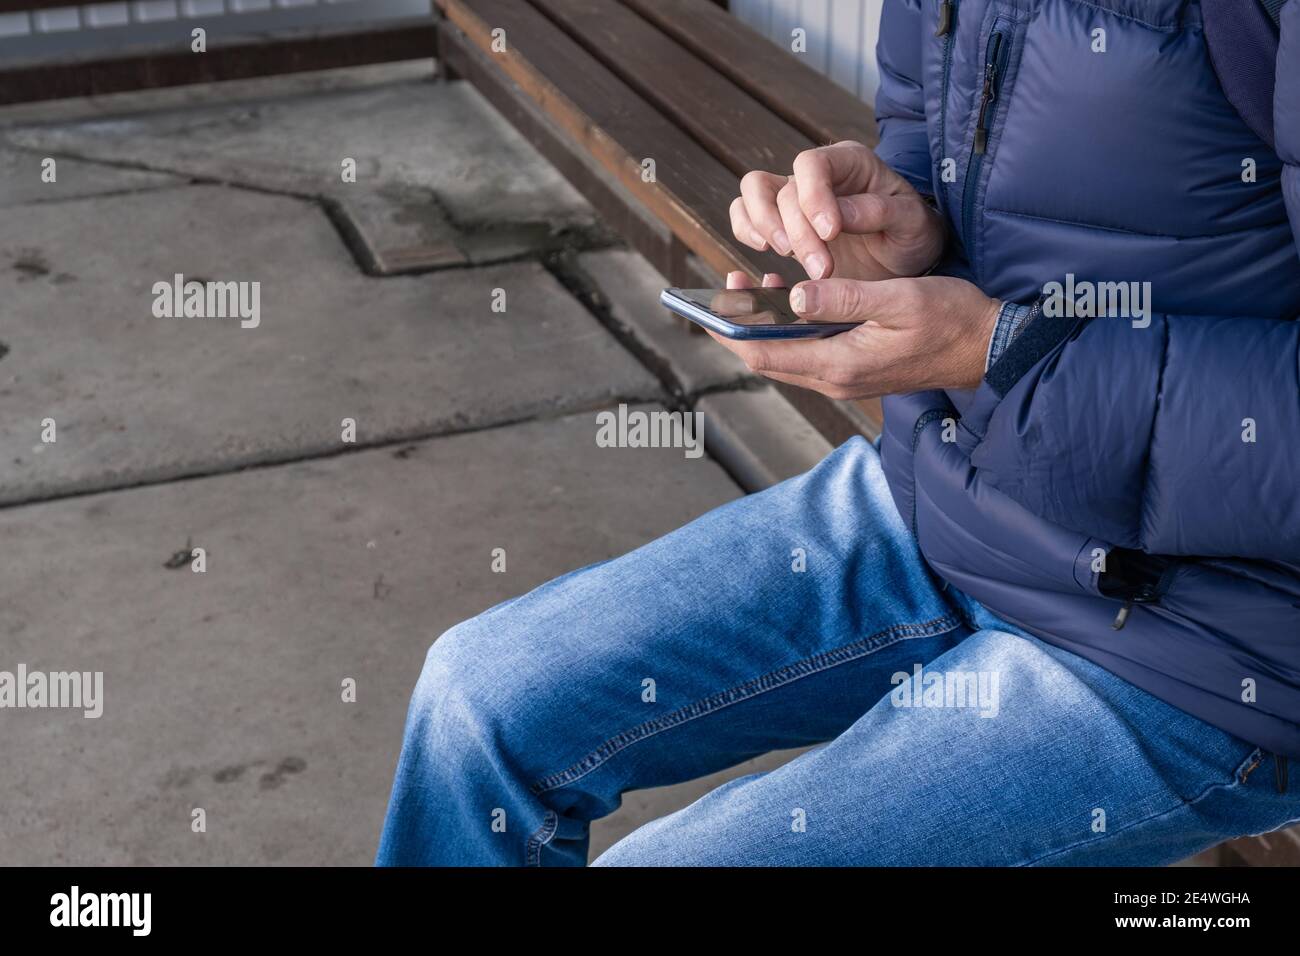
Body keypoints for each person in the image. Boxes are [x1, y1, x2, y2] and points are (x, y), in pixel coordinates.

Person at [376, 0, 1300, 865]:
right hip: (955, 498)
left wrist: (1002, 352)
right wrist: (908, 231)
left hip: (1208, 635)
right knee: (476, 698)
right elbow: (965, 164)